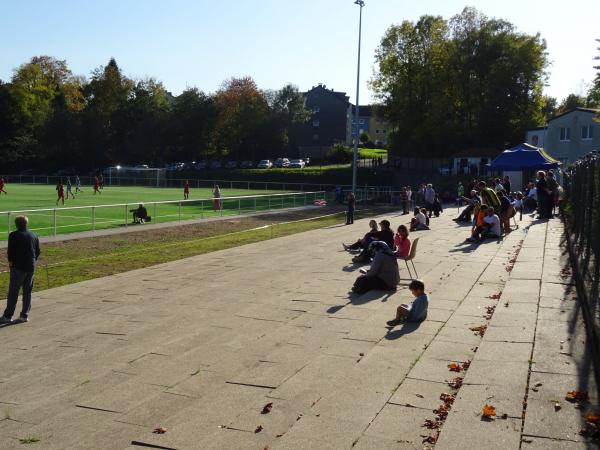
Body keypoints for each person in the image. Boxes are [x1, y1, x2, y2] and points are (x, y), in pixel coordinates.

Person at [1, 216, 40, 324]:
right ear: (26, 224)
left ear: (16, 224)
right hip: (31, 267)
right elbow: (37, 251)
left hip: (18, 267)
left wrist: (10, 262)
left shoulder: (13, 235)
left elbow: (11, 251)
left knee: (13, 292)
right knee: (27, 292)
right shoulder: (33, 235)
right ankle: (24, 315)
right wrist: (33, 261)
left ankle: (8, 316)